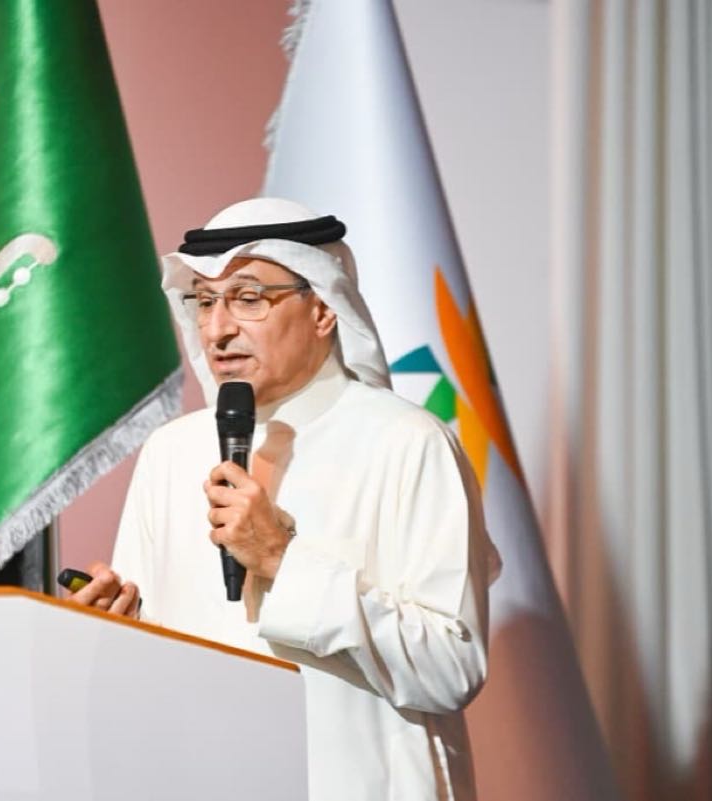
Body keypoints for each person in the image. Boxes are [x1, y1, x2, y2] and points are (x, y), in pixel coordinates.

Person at [69, 197, 500, 801]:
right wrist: (118, 628)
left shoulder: (408, 442)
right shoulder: (170, 452)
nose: (217, 329)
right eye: (204, 301)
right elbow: (166, 655)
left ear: (322, 309)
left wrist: (282, 560)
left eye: (248, 298)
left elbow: (451, 669)